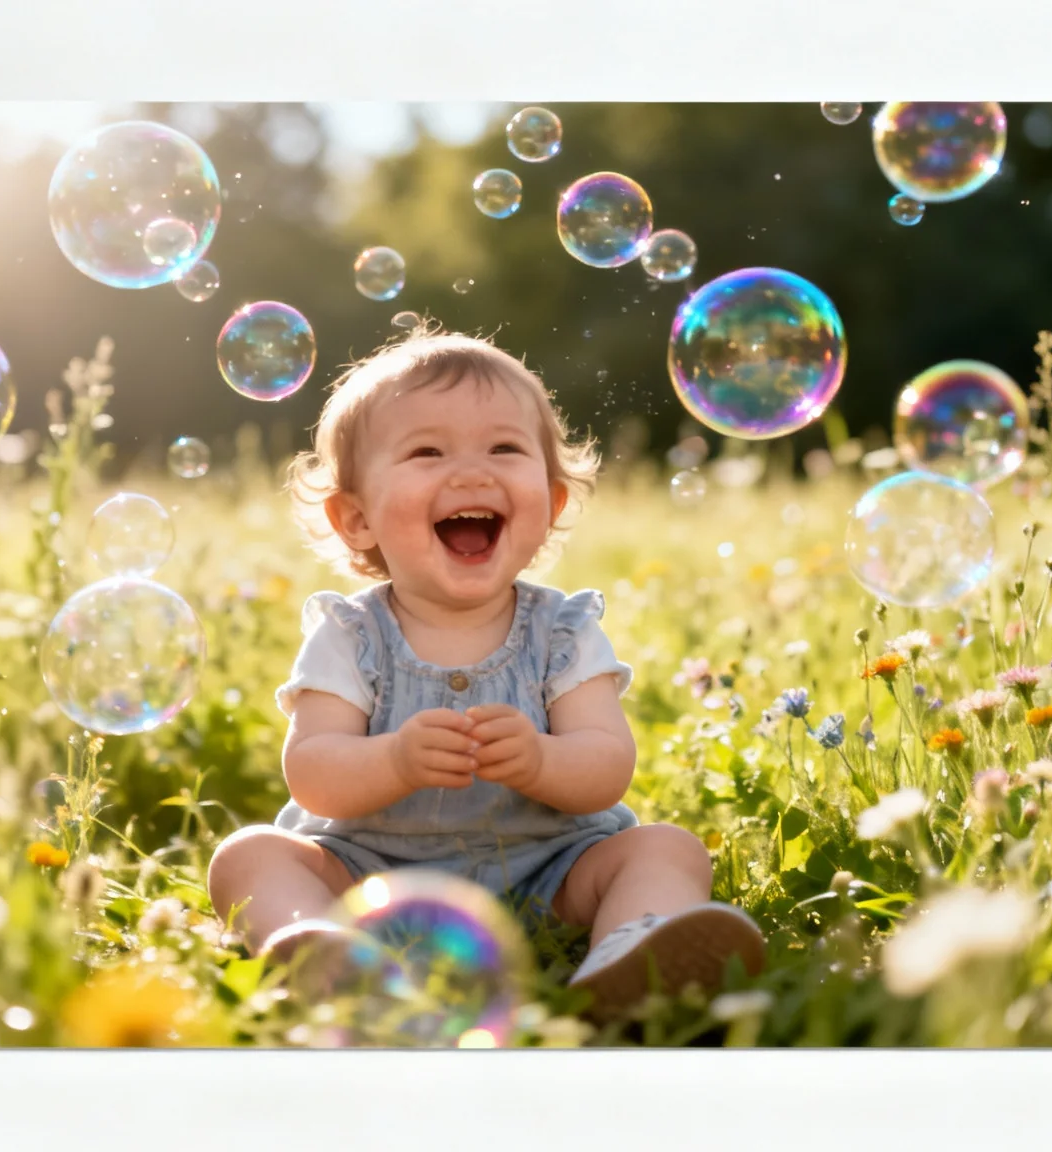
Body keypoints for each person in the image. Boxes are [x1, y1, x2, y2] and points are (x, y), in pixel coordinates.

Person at [205, 324, 764, 1021]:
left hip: (549, 876)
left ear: (553, 502)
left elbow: (607, 765)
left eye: (505, 448)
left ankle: (624, 955)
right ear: (355, 518)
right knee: (249, 856)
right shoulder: (349, 634)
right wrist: (395, 759)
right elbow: (313, 771)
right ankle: (329, 953)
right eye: (427, 451)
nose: (472, 473)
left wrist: (539, 759)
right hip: (366, 878)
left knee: (665, 848)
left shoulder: (563, 630)